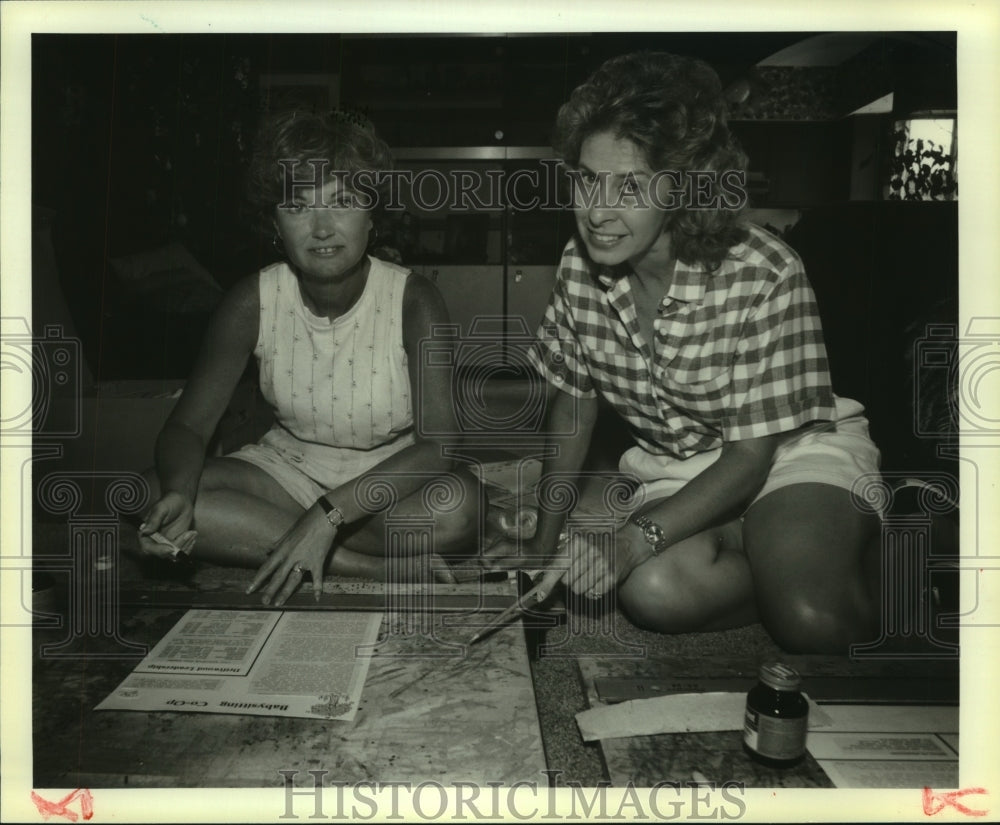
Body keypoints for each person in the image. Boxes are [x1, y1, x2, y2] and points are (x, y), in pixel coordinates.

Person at [492, 52, 884, 654]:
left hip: (787, 454)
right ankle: (776, 551)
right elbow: (573, 411)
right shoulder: (579, 265)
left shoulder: (765, 269)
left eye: (629, 186)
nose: (597, 211)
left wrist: (628, 540)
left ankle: (852, 552)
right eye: (587, 178)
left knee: (811, 621)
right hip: (678, 465)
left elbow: (751, 458)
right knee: (653, 594)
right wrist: (544, 542)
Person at [137, 109, 480, 605]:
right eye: (297, 207)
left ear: (372, 215)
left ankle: (298, 537)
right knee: (153, 491)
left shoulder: (414, 298)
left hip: (387, 479)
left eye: (342, 202)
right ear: (274, 223)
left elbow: (439, 446)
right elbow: (187, 429)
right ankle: (361, 566)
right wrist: (177, 492)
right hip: (287, 472)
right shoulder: (250, 300)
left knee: (461, 512)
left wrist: (330, 514)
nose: (322, 228)